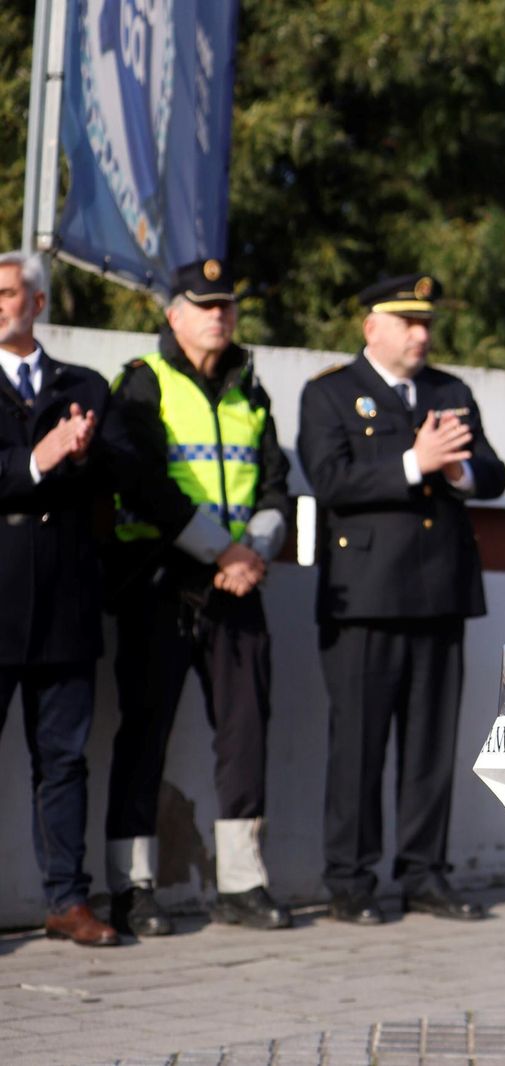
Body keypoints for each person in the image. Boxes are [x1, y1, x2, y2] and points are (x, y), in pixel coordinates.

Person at [298, 273, 505, 925]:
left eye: (427, 324)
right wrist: (415, 462)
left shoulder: (451, 391)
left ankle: (423, 873)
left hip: (440, 593)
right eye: (408, 322)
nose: (422, 334)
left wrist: (457, 470)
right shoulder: (330, 393)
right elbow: (329, 478)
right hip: (365, 599)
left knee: (430, 748)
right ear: (372, 329)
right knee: (358, 746)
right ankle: (350, 881)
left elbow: (493, 473)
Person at [102, 258, 292, 935]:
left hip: (238, 589)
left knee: (245, 735)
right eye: (204, 304)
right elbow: (144, 483)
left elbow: (275, 485)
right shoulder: (141, 384)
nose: (219, 315)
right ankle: (132, 885)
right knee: (144, 732)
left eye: (227, 305)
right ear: (173, 315)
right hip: (160, 583)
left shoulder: (250, 390)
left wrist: (253, 553)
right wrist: (224, 550)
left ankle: (242, 883)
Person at [0, 252, 117, 947]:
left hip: (66, 600)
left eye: (10, 292)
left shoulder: (86, 385)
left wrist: (84, 454)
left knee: (64, 759)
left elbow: (118, 472)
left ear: (39, 303)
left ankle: (67, 900)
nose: (0, 303)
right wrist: (41, 458)